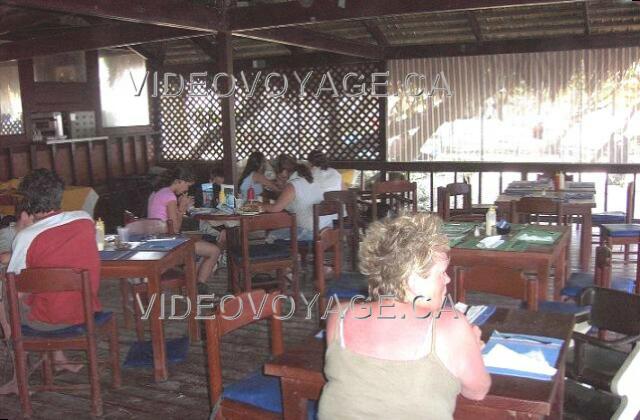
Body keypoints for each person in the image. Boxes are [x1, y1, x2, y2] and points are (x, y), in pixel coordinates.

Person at [318, 213, 491, 420]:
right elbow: (477, 392)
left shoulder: (340, 315)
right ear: (414, 280)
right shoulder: (449, 326)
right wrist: (471, 347)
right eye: (441, 272)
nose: (448, 279)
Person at [4, 169, 102, 376]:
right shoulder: (84, 220)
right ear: (60, 195)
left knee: (5, 300)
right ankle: (57, 358)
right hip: (85, 310)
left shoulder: (27, 237)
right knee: (49, 293)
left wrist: (22, 232)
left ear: (28, 202)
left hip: (47, 323)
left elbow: (16, 292)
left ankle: (18, 372)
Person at [147, 166, 220, 289]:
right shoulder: (170, 197)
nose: (187, 189)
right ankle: (198, 286)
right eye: (187, 185)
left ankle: (193, 282)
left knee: (199, 241)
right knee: (214, 251)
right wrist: (181, 209)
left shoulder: (158, 192)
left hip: (157, 240)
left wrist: (180, 208)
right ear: (178, 181)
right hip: (167, 244)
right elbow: (175, 229)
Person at [261, 161, 330, 242]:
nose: (277, 181)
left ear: (284, 172)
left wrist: (257, 205)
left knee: (271, 235)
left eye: (278, 178)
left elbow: (275, 208)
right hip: (327, 229)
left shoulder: (293, 185)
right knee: (285, 228)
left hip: (311, 233)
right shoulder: (310, 180)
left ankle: (289, 254)